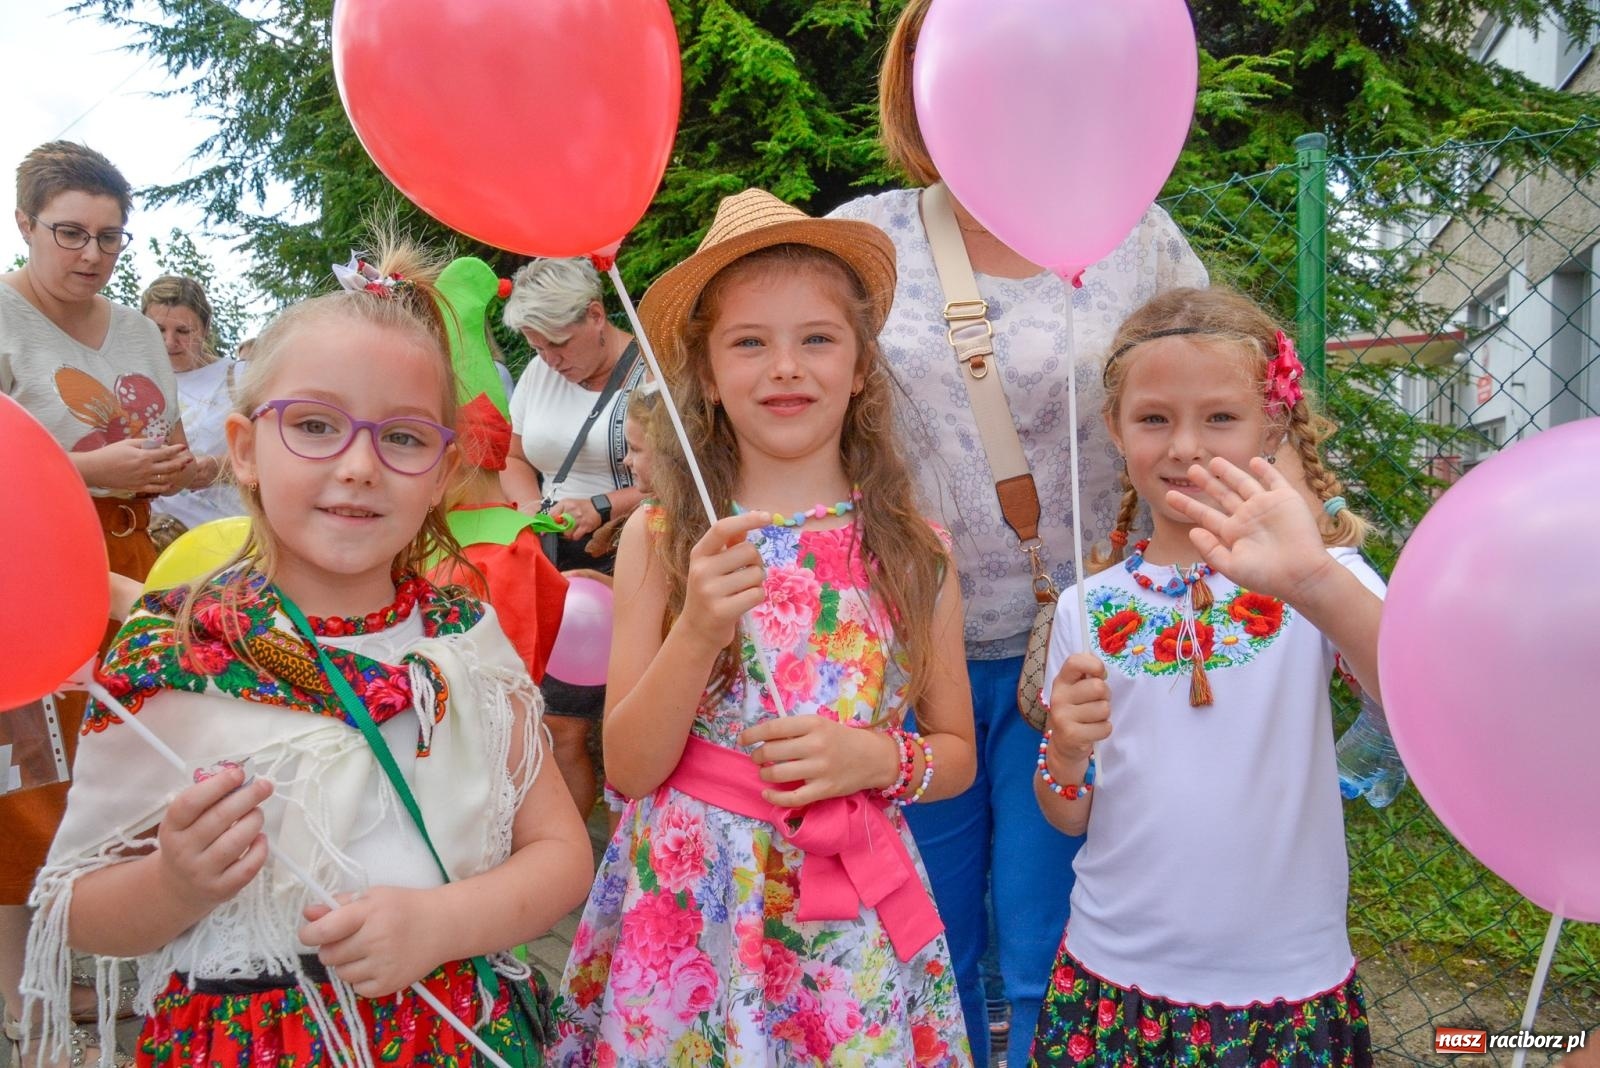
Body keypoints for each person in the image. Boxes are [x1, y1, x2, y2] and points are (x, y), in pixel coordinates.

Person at [20, 237, 595, 1068]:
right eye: (317, 425)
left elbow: (559, 852)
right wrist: (172, 886)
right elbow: (74, 905)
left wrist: (441, 925)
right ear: (247, 450)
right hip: (245, 1042)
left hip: (456, 1031)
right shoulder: (173, 651)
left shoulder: (464, 634)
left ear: (441, 471)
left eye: (402, 438)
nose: (359, 466)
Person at [826, 4, 1210, 1063]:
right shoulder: (868, 240)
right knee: (923, 933)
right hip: (908, 653)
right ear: (924, 78)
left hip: (1085, 655)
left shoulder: (1139, 237)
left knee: (1053, 936)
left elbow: (1211, 409)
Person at [550, 189, 977, 1066]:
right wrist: (699, 628)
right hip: (693, 906)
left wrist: (880, 760)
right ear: (706, 374)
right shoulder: (665, 537)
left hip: (847, 917)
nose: (786, 366)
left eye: (818, 338)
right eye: (749, 342)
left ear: (862, 366)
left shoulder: (915, 550)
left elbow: (957, 752)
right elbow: (628, 769)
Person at [1031, 287, 1382, 1067]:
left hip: (1285, 986)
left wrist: (1313, 582)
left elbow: (1424, 701)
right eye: (1154, 418)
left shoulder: (1323, 580)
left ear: (1272, 424)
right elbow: (1067, 816)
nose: (1186, 447)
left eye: (1220, 417)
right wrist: (1063, 756)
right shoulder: (1085, 610)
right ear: (1116, 433)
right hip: (1109, 979)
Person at [1, 140, 198, 1065]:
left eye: (111, 238)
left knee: (115, 767)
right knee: (29, 782)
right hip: (26, 564)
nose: (91, 254)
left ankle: (88, 959)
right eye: (70, 233)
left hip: (130, 555)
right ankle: (18, 992)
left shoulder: (134, 331)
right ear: (24, 225)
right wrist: (89, 471)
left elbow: (171, 435)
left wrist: (179, 465)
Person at [500, 257, 647, 817]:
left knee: (603, 722)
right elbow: (514, 458)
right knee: (550, 721)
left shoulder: (650, 376)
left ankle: (614, 862)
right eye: (537, 348)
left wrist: (604, 504)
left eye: (558, 344)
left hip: (629, 555)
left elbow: (683, 482)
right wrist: (530, 504)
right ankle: (565, 864)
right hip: (551, 552)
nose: (549, 361)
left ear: (595, 314)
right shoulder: (542, 373)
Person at [143, 274, 245, 537]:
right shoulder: (131, 383)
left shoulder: (240, 377)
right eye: (158, 330)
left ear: (206, 327)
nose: (169, 342)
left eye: (183, 331)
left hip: (229, 542)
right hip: (153, 544)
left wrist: (219, 468)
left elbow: (280, 455)